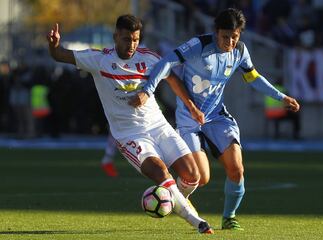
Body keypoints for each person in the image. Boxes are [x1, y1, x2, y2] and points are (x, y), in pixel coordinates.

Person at [130, 8, 300, 230]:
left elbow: (253, 77)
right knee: (200, 178)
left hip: (217, 117)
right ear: (216, 32)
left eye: (234, 37)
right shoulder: (198, 45)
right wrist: (148, 89)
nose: (230, 41)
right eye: (225, 36)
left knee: (237, 169)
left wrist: (280, 97)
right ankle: (176, 196)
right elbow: (166, 63)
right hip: (189, 120)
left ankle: (229, 217)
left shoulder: (239, 51)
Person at [47, 14, 213, 234]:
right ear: (116, 36)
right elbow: (60, 55)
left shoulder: (150, 58)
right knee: (162, 173)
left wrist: (191, 107)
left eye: (135, 39)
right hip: (130, 135)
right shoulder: (100, 59)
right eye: (126, 39)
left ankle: (173, 200)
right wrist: (54, 45)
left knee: (193, 176)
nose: (131, 44)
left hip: (159, 127)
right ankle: (197, 221)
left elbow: (172, 79)